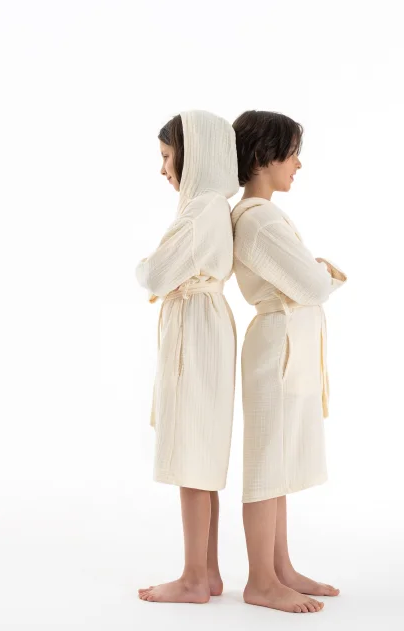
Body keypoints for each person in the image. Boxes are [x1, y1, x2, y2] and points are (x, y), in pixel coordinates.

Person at [231, 110, 347, 613]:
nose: (298, 164)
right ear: (264, 155)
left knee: (275, 461)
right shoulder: (258, 219)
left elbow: (308, 283)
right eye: (293, 153)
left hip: (284, 343)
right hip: (276, 346)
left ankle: (280, 568)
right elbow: (313, 285)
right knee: (265, 463)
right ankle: (260, 580)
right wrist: (323, 272)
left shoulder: (261, 216)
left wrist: (315, 276)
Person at [136, 110, 238, 604]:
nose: (162, 169)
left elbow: (155, 275)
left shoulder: (199, 212)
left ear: (192, 155)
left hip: (195, 329)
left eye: (167, 156)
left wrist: (147, 267)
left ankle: (194, 577)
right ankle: (208, 571)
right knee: (203, 450)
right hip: (206, 323)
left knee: (192, 452)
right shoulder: (212, 207)